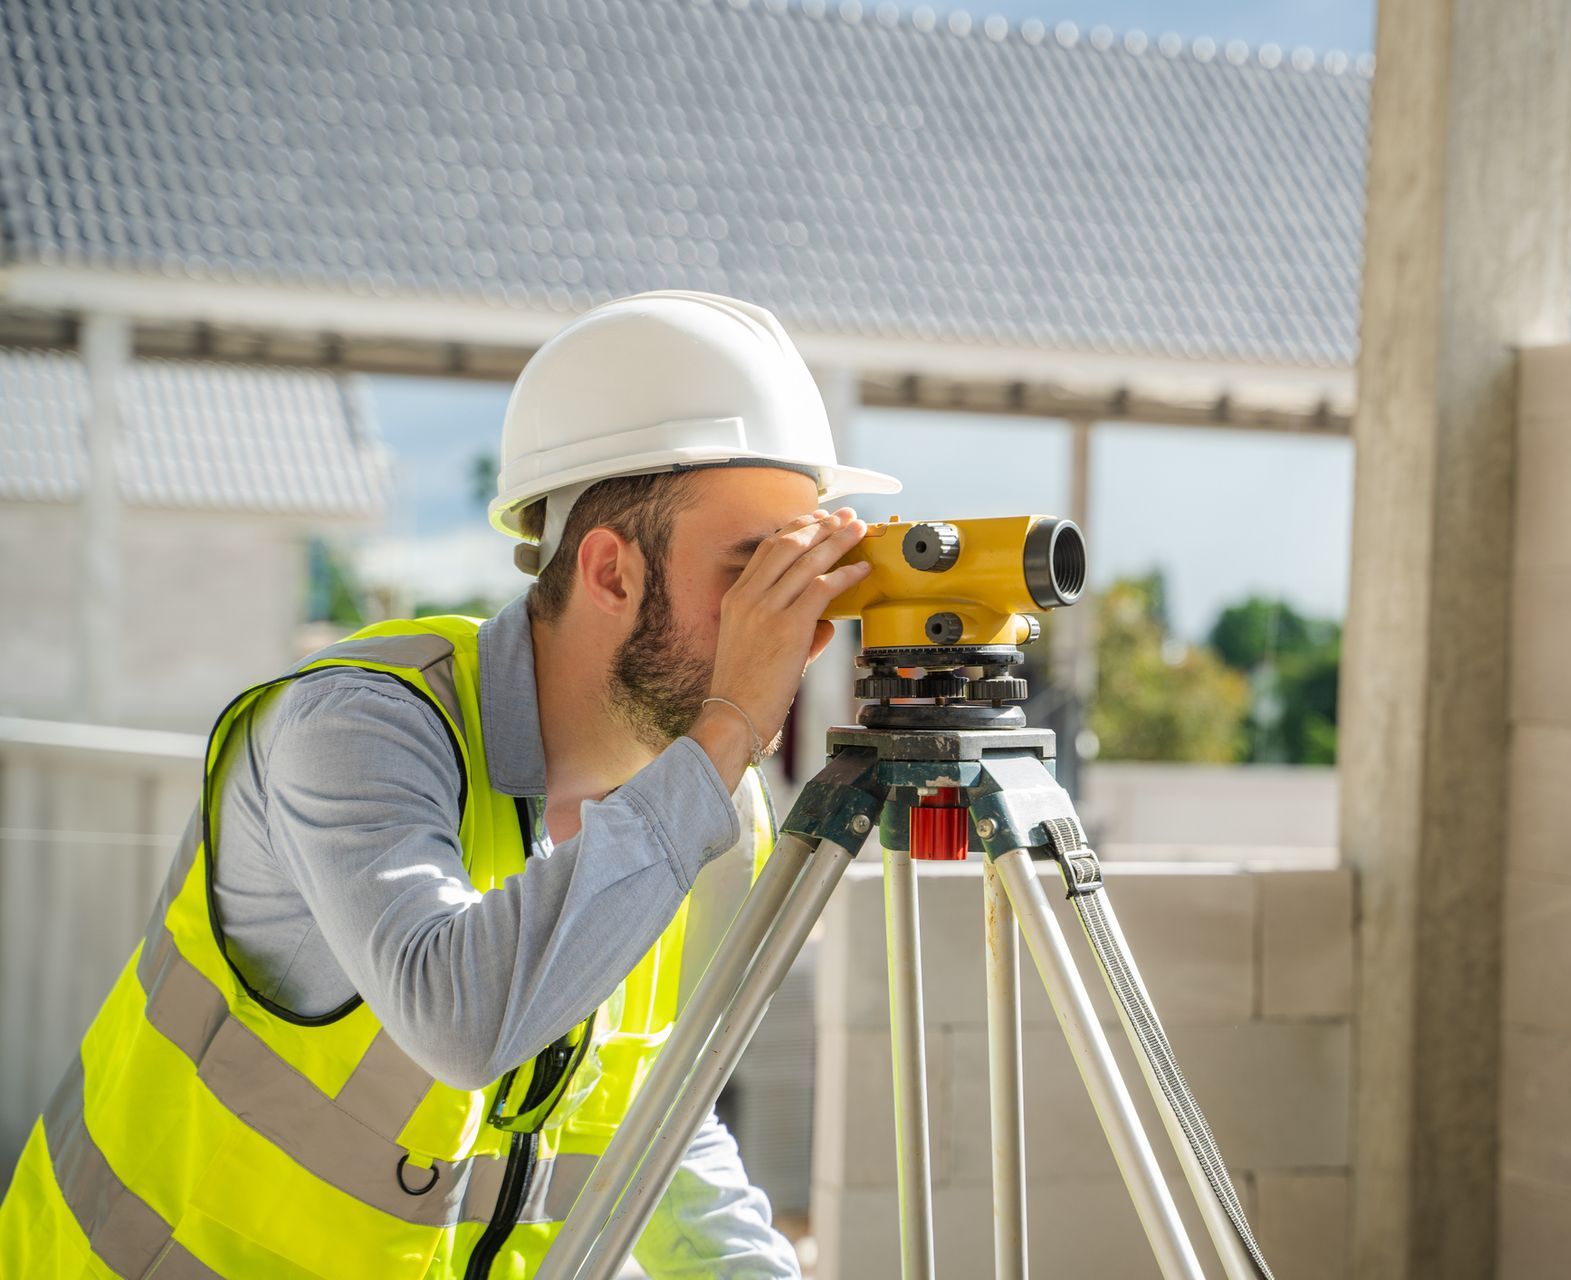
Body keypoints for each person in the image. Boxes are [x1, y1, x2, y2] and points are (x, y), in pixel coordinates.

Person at [0, 291, 902, 1277]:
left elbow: (658, 1124)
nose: (790, 623)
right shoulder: (356, 725)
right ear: (609, 572)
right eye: (751, 570)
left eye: (804, 570)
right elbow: (462, 1017)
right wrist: (731, 722)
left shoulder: (719, 814)